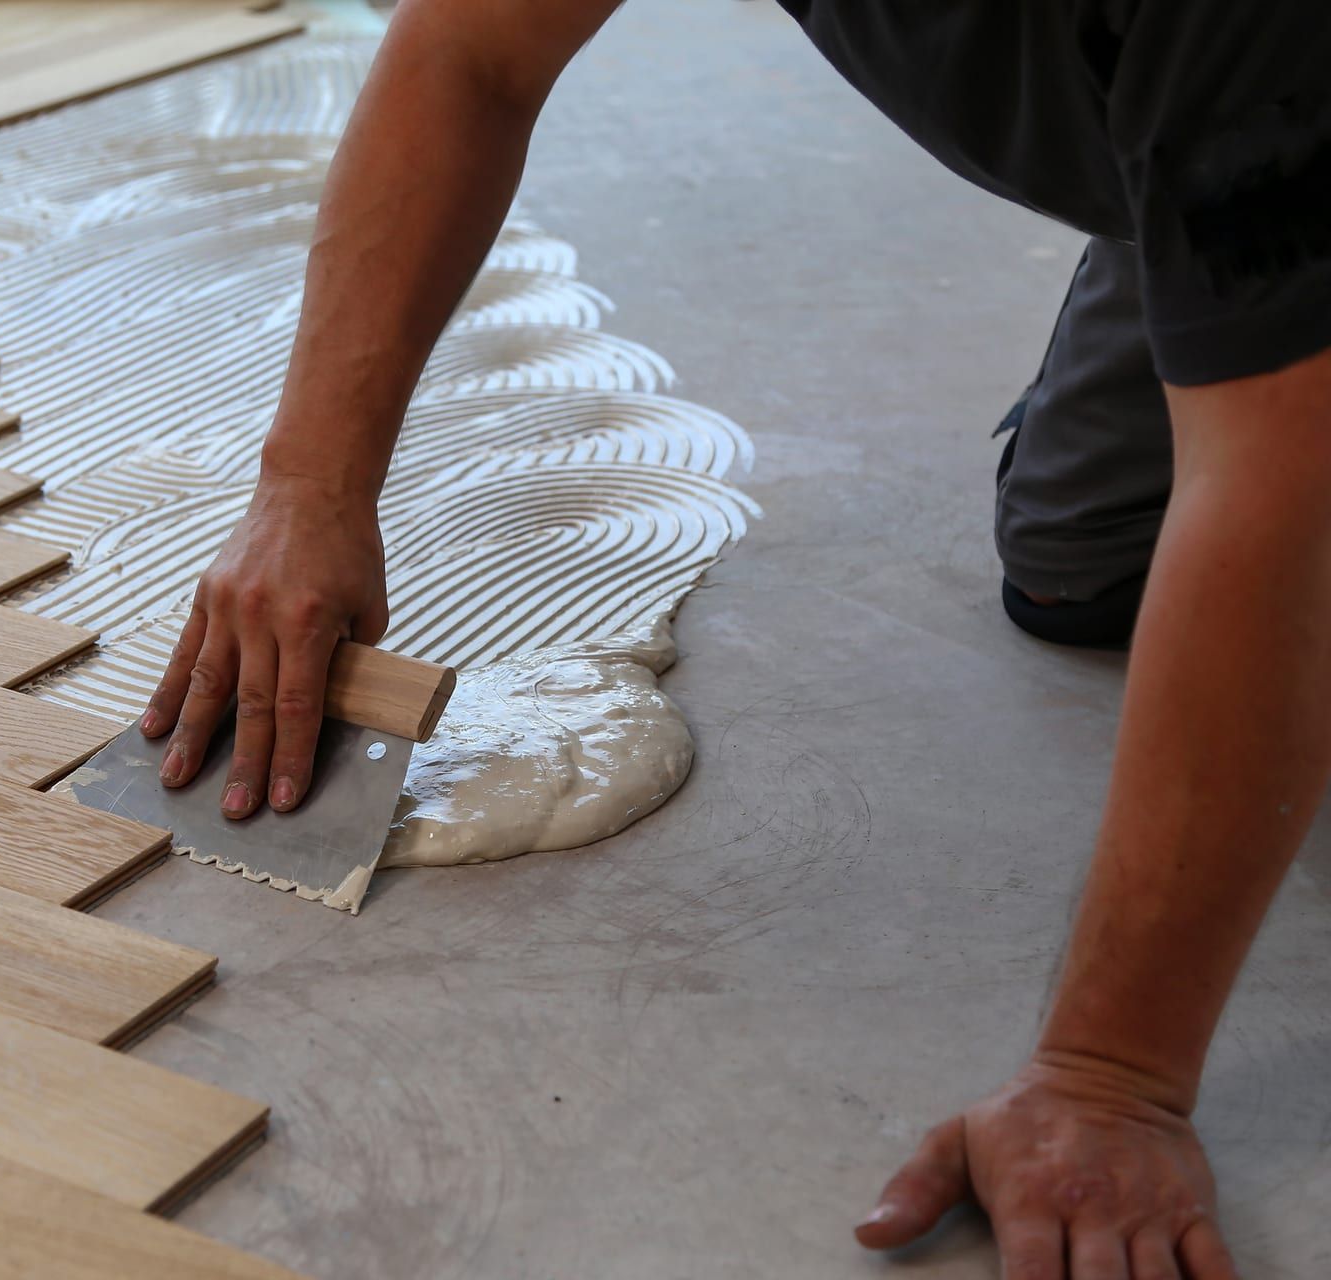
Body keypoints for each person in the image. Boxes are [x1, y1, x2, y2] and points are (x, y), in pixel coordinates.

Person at [138, 2, 1331, 1274]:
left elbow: (1281, 507)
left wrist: (1113, 1074)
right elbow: (470, 52)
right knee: (1079, 562)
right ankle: (1210, 232)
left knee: (1269, 486)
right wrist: (306, 488)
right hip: (1215, 131)